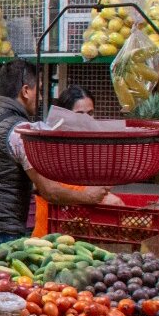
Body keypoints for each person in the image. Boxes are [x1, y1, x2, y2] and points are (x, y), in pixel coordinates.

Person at [0, 60, 111, 251]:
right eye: (40, 89)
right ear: (26, 90)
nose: (41, 97)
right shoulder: (21, 131)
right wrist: (89, 196)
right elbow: (49, 190)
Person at [30, 86, 122, 235]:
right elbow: (51, 187)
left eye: (90, 113)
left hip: (79, 229)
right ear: (64, 115)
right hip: (49, 231)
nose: (87, 119)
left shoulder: (89, 147)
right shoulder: (49, 144)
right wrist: (94, 196)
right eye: (80, 114)